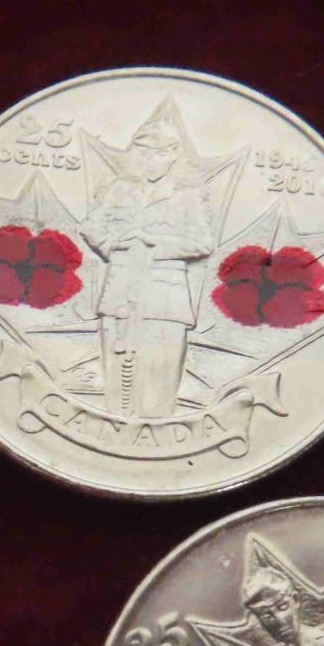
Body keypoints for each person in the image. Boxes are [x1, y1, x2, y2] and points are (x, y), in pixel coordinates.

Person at [80, 108, 217, 418]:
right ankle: (114, 427)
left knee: (159, 376)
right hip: (119, 294)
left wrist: (152, 241)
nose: (150, 161)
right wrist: (113, 243)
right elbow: (90, 226)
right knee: (116, 372)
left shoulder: (187, 196)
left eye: (158, 154)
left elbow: (202, 243)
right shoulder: (120, 190)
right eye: (143, 154)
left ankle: (155, 430)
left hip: (164, 300)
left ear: (172, 156)